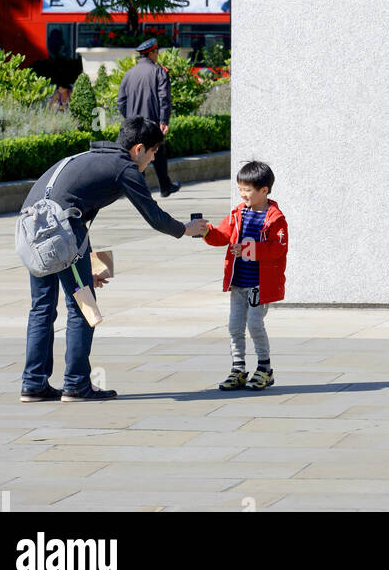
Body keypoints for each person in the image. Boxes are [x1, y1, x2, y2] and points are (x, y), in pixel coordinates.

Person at [20, 117, 207, 403]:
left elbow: (76, 211)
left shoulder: (93, 155)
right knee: (83, 305)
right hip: (61, 230)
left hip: (33, 227)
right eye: (154, 152)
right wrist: (185, 229)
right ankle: (77, 384)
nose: (153, 159)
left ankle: (33, 384)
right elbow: (153, 216)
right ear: (140, 148)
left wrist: (87, 265)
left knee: (42, 307)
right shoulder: (125, 168)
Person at [204, 161, 288, 392]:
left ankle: (265, 369)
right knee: (234, 326)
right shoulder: (238, 213)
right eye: (240, 189)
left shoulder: (275, 218)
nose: (243, 194)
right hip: (238, 282)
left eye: (247, 190)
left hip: (259, 285)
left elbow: (278, 248)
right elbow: (222, 235)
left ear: (264, 190)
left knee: (254, 324)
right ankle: (238, 369)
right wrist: (206, 231)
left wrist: (250, 249)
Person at [116, 37, 178, 197]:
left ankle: (144, 190)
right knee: (156, 151)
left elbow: (120, 101)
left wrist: (129, 118)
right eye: (156, 52)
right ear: (151, 53)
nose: (157, 55)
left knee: (137, 155)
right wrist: (164, 120)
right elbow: (164, 98)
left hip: (133, 125)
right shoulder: (159, 72)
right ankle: (165, 187)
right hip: (151, 122)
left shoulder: (129, 74)